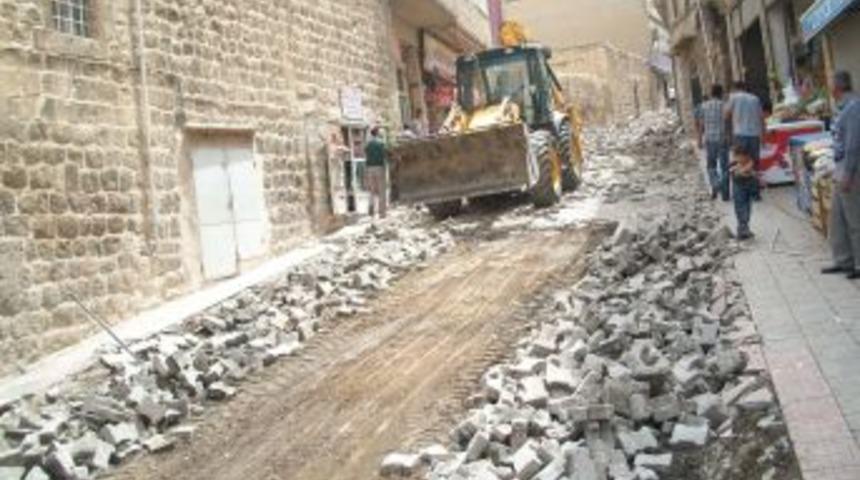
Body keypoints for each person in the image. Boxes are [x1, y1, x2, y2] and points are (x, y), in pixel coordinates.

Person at [822, 71, 860, 280]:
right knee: (837, 217)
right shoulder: (843, 107)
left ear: (837, 87)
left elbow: (854, 144)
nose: (829, 88)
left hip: (851, 170)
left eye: (830, 84)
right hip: (840, 167)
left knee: (855, 218)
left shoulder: (853, 107)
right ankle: (843, 259)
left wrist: (848, 173)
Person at [725, 81, 766, 199]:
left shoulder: (734, 97)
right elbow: (761, 118)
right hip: (754, 135)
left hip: (740, 135)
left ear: (735, 89)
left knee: (740, 163)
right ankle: (756, 193)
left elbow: (726, 115)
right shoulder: (755, 99)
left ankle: (742, 192)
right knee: (754, 163)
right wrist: (763, 135)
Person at [696, 84, 730, 201]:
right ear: (721, 93)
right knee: (725, 167)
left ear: (711, 93)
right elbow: (728, 121)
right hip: (722, 139)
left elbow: (701, 124)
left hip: (709, 140)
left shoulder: (703, 106)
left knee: (711, 166)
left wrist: (699, 139)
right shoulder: (724, 105)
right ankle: (725, 195)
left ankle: (715, 185)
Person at [730, 142, 758, 240]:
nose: (736, 158)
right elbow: (738, 173)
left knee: (747, 209)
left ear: (746, 156)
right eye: (735, 156)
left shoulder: (749, 162)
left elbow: (749, 172)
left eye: (738, 156)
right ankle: (742, 230)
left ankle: (745, 229)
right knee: (740, 209)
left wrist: (749, 172)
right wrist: (742, 170)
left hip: (748, 189)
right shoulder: (734, 164)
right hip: (738, 189)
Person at [364, 126, 389, 219]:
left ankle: (372, 212)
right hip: (379, 167)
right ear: (377, 133)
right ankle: (382, 213)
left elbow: (366, 155)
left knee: (372, 190)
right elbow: (385, 154)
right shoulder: (381, 143)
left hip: (369, 168)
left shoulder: (368, 144)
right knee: (381, 190)